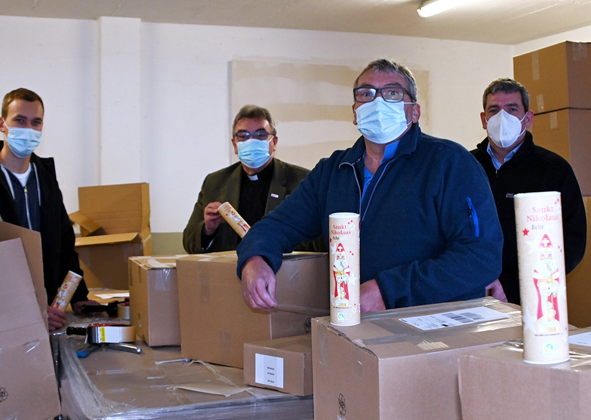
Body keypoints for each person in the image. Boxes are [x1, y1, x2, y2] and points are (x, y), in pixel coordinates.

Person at [238, 59, 503, 312]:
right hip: (355, 323)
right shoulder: (332, 171)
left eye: (392, 93)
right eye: (366, 94)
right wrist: (255, 257)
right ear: (355, 112)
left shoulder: (449, 163)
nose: (377, 102)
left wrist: (389, 290)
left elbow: (480, 257)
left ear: (415, 111)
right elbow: (279, 225)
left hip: (434, 329)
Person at [0, 88, 95, 331]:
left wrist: (79, 297)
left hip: (45, 306)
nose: (28, 130)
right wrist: (24, 306)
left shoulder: (45, 179)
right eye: (19, 121)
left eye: (36, 122)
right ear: (2, 124)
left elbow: (64, 242)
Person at [470, 78, 586, 305]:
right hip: (472, 292)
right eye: (494, 110)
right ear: (484, 120)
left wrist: (521, 286)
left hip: (533, 297)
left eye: (512, 109)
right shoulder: (465, 166)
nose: (502, 117)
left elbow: (572, 241)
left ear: (528, 119)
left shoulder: (553, 170)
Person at [183, 105, 323, 253]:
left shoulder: (302, 180)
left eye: (260, 135)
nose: (251, 141)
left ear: (274, 142)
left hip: (284, 271)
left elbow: (319, 241)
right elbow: (189, 243)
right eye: (243, 136)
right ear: (235, 145)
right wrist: (208, 229)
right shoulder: (215, 182)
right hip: (229, 271)